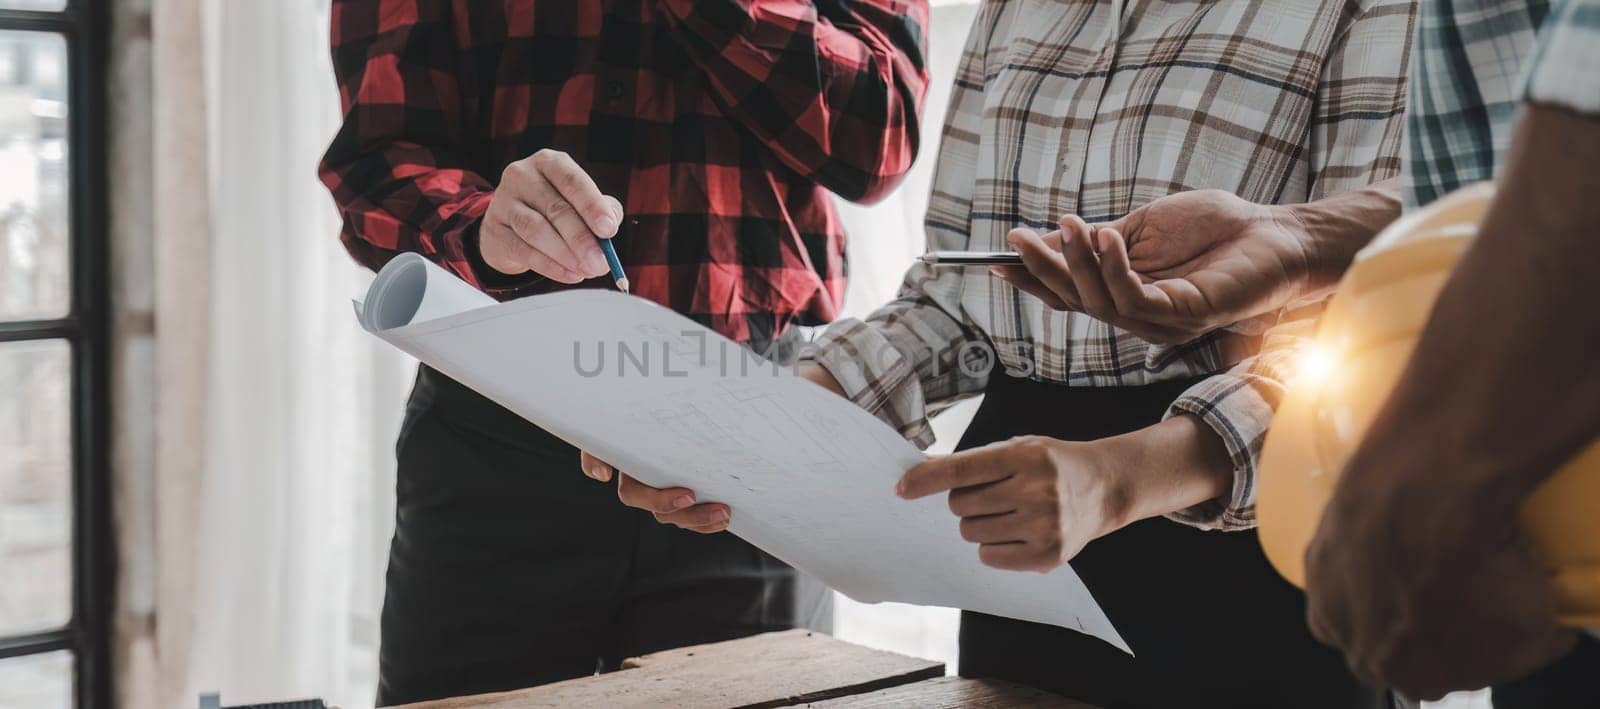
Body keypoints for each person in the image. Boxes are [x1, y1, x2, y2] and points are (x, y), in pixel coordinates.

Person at [582, 1, 1419, 706]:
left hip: (1258, 542)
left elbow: (1383, 335)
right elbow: (959, 298)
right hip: (1019, 531)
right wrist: (766, 416)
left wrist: (1119, 476)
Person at [985, 0, 1600, 705]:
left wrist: (1424, 465)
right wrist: (1298, 236)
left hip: (1282, 523)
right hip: (1552, 552)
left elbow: (1578, 163)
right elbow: (1485, 196)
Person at [317, 1, 928, 704]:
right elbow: (376, 155)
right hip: (495, 427)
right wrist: (484, 228)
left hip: (755, 449)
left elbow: (879, 135)